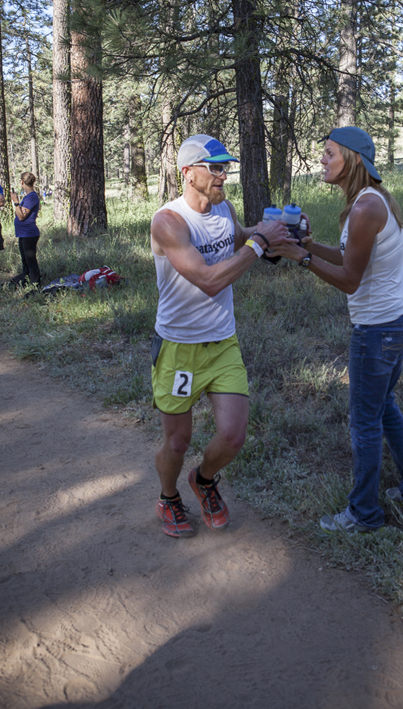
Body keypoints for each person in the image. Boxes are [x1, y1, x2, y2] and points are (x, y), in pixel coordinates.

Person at [273, 127, 403, 533]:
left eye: (329, 154)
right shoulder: (370, 202)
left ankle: (364, 514)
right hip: (398, 318)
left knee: (364, 422)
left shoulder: (365, 208)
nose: (322, 161)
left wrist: (300, 258)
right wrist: (308, 245)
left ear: (353, 160)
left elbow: (349, 279)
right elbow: (350, 258)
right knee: (385, 409)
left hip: (377, 329)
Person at [150, 134, 289, 537]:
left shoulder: (224, 207)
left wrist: (274, 235)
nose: (222, 175)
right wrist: (259, 247)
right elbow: (209, 281)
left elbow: (238, 236)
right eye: (214, 168)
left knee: (233, 436)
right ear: (187, 173)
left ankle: (205, 481)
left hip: (222, 341)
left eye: (225, 167)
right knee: (177, 443)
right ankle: (168, 498)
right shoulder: (169, 221)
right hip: (178, 346)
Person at [9, 172, 41, 288]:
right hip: (23, 233)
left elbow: (22, 216)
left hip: (29, 234)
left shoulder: (32, 197)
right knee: (25, 260)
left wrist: (16, 202)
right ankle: (26, 281)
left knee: (30, 260)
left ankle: (36, 284)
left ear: (22, 182)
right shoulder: (28, 197)